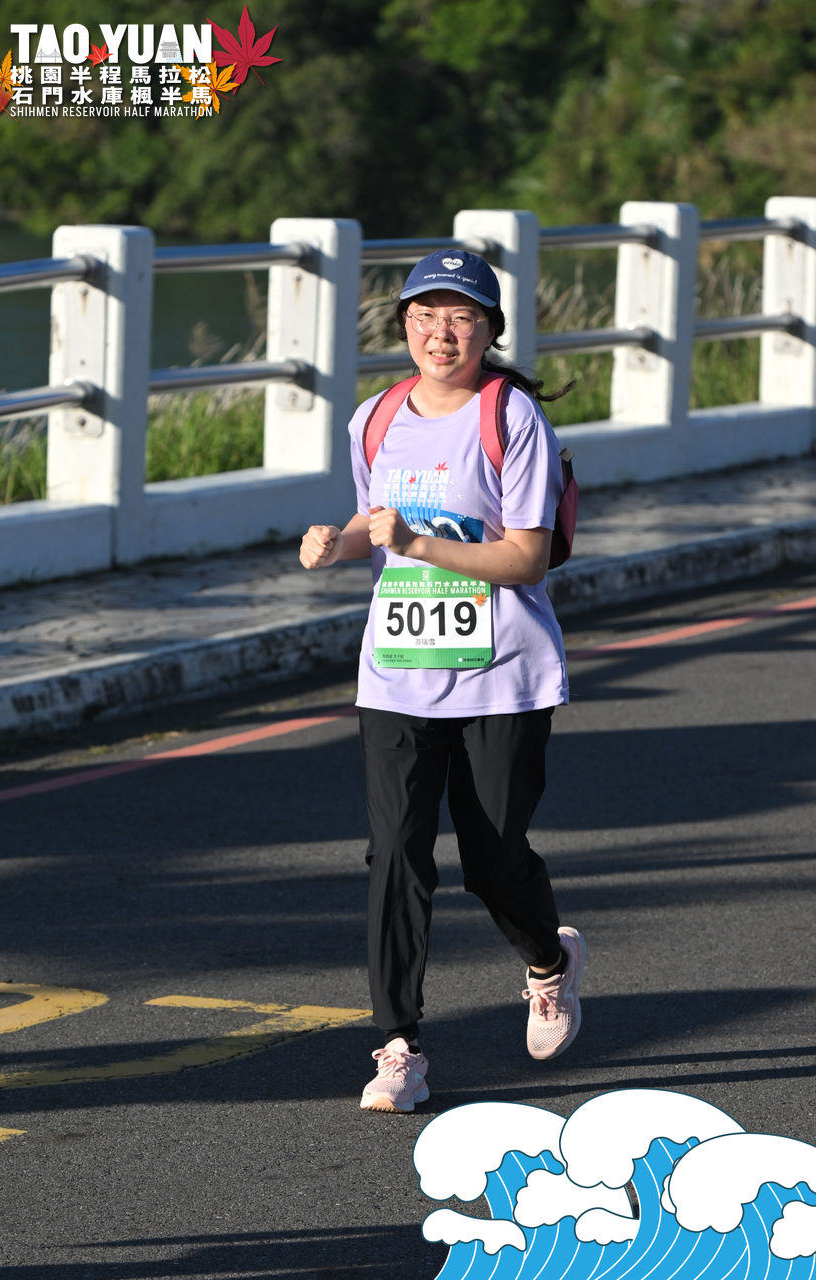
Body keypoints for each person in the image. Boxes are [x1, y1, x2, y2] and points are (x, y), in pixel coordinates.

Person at [299, 248, 585, 1114]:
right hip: (397, 673)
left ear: (489, 329)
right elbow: (375, 519)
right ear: (404, 325)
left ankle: (548, 961)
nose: (441, 332)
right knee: (395, 855)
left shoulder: (512, 417)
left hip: (503, 674)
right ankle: (399, 1048)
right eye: (425, 315)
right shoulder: (377, 417)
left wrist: (418, 544)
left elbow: (525, 556)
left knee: (493, 861)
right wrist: (338, 543)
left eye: (461, 316)